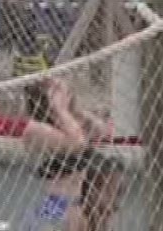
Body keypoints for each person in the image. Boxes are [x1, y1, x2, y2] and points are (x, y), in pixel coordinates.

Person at [17, 75, 120, 230]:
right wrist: (60, 109)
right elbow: (76, 144)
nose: (68, 96)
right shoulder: (35, 129)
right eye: (64, 94)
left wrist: (75, 110)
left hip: (80, 203)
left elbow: (102, 132)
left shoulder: (68, 124)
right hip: (56, 207)